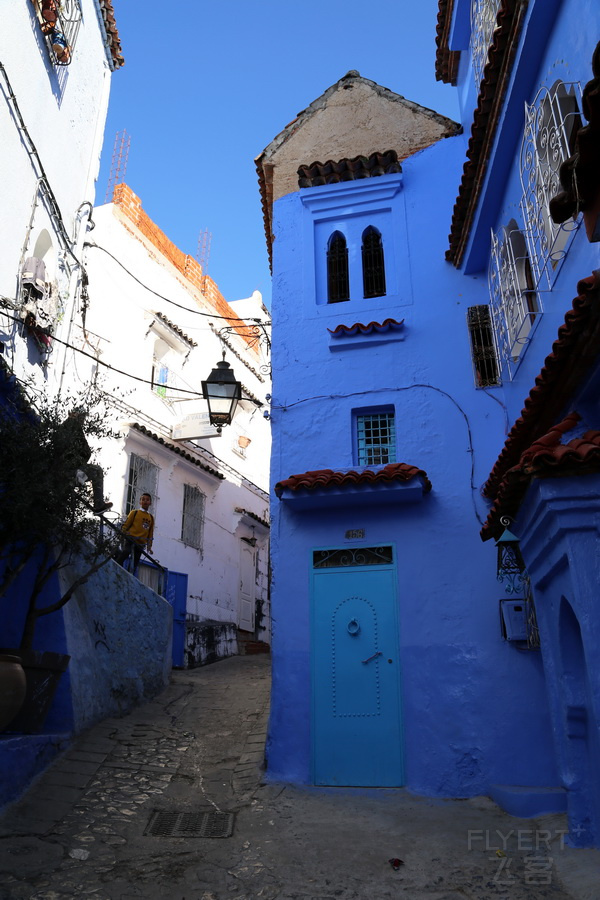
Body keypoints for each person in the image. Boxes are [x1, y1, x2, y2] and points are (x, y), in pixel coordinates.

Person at [55, 409, 112, 514]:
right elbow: (86, 452)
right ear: (73, 414)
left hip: (63, 471)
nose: (83, 420)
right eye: (81, 417)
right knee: (97, 471)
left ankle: (75, 482)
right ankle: (98, 505)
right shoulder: (73, 427)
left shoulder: (64, 428)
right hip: (67, 471)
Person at [115, 493, 155, 574]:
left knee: (135, 562)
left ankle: (128, 575)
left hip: (141, 544)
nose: (145, 501)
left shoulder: (151, 517)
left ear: (150, 502)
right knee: (126, 551)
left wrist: (149, 547)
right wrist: (122, 534)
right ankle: (116, 566)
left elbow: (150, 533)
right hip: (131, 538)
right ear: (140, 502)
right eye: (143, 499)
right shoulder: (135, 512)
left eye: (147, 500)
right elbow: (126, 524)